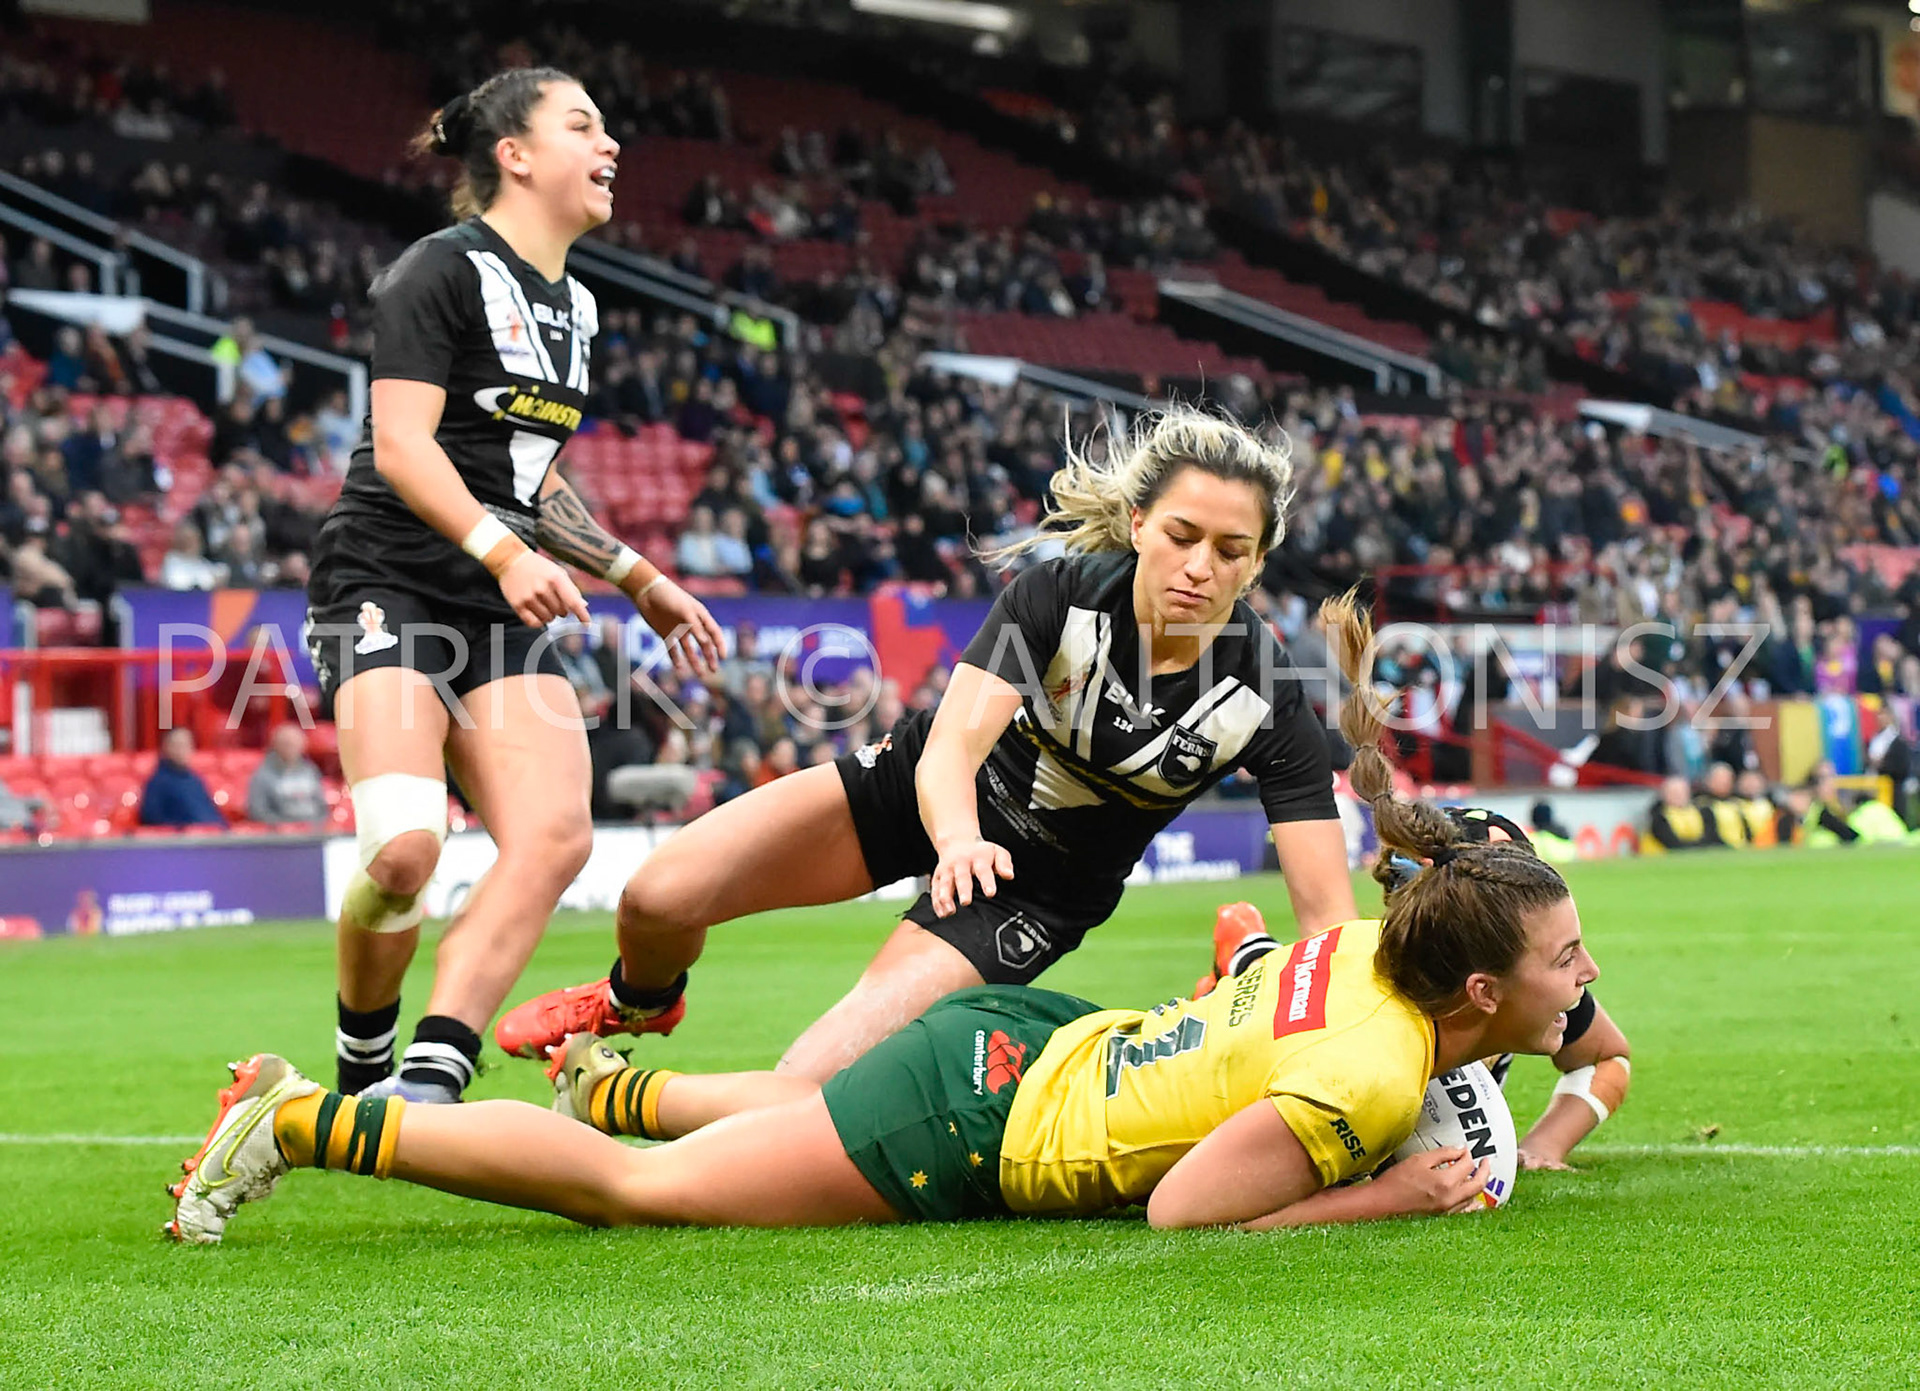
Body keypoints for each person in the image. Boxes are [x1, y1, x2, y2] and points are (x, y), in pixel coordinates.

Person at [166, 601, 1599, 1242]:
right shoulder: (1366, 1063)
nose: (1585, 981)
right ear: (1473, 990)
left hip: (1029, 1040)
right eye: (1568, 960)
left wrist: (1239, 971)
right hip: (978, 1104)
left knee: (784, 1100)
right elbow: (1186, 1209)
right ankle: (296, 1118)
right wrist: (1389, 1192)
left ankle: (626, 1076)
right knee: (640, 1192)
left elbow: (1265, 949)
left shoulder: (1356, 952)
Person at [496, 408, 1360, 1080]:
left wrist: (1358, 1034)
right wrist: (955, 839)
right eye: (1181, 535)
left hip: (1035, 887)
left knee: (808, 1082)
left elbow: (1327, 920)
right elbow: (949, 750)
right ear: (1137, 524)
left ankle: (1211, 1010)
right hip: (925, 798)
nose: (1199, 565)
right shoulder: (1055, 597)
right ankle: (636, 1001)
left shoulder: (1269, 701)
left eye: (1229, 550)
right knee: (655, 898)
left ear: (1255, 565)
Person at [300, 67, 726, 1106]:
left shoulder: (575, 304)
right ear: (516, 155)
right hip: (386, 579)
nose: (611, 141)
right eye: (585, 122)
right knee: (405, 849)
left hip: (498, 597)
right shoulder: (433, 273)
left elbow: (533, 475)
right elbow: (401, 447)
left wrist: (637, 574)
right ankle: (364, 1048)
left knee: (556, 833)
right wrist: (504, 551)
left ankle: (436, 1066)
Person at [1195, 806, 1630, 1172]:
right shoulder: (1367, 985)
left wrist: (1543, 1146)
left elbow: (1607, 1056)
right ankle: (1246, 959)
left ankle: (1248, 957)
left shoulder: (1530, 986)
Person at [139, 729, 229, 830]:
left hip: (214, 837)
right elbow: (153, 819)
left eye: (187, 745)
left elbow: (211, 814)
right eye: (177, 745)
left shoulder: (196, 780)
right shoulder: (156, 783)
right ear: (165, 748)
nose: (183, 750)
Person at [246, 723, 327, 826]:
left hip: (311, 831)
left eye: (294, 744)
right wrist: (284, 826)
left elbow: (321, 806)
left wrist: (317, 825)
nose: (291, 748)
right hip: (280, 835)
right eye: (286, 744)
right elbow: (257, 811)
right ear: (275, 745)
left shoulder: (310, 771)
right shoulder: (262, 775)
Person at [1644, 775, 1723, 852]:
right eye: (1674, 792)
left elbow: (1711, 837)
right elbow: (1672, 843)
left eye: (1682, 792)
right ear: (1664, 795)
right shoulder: (1658, 817)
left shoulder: (1702, 811)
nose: (1678, 796)